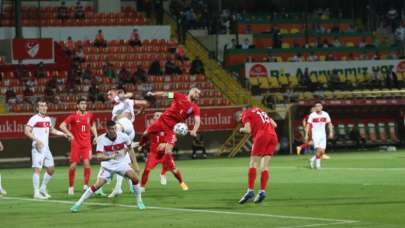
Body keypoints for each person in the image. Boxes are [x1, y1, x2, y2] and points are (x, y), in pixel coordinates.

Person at [70, 120, 145, 212]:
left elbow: (130, 149)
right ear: (107, 130)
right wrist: (109, 157)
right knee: (96, 186)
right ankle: (78, 204)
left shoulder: (123, 136)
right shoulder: (101, 140)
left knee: (135, 178)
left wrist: (135, 165)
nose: (113, 131)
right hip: (108, 166)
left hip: (121, 164)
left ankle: (139, 201)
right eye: (110, 129)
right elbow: (98, 156)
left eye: (114, 128)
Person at [145, 88, 202, 191]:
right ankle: (134, 144)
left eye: (199, 94)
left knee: (168, 151)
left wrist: (194, 130)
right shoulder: (177, 95)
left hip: (171, 129)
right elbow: (164, 94)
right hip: (162, 121)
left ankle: (163, 172)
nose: (198, 95)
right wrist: (153, 93)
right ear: (190, 91)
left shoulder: (195, 108)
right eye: (196, 92)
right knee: (146, 133)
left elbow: (197, 120)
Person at [104, 89, 149, 198]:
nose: (108, 96)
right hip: (130, 129)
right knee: (122, 159)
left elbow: (130, 94)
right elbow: (145, 103)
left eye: (110, 93)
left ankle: (108, 176)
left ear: (117, 94)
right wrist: (142, 111)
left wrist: (124, 96)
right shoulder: (128, 102)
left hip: (123, 125)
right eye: (107, 94)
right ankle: (126, 186)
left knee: (111, 149)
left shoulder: (120, 100)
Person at [24, 100, 70, 199]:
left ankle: (43, 188)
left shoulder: (48, 119)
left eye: (45, 105)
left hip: (46, 148)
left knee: (51, 169)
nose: (44, 107)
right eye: (41, 106)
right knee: (37, 170)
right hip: (38, 147)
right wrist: (36, 140)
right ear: (37, 108)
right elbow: (27, 131)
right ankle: (36, 193)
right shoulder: (34, 118)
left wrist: (64, 134)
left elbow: (52, 130)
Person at [238, 105, 278, 204]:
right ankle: (262, 191)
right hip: (273, 136)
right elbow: (275, 124)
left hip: (261, 136)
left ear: (244, 109)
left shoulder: (246, 113)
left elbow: (248, 130)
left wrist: (241, 129)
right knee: (264, 166)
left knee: (253, 163)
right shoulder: (261, 111)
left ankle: (250, 190)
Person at [60, 98, 98, 195]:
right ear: (77, 105)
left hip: (86, 144)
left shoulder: (90, 115)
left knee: (87, 163)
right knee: (73, 166)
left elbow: (92, 125)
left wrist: (96, 136)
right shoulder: (73, 117)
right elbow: (62, 126)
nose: (84, 105)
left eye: (85, 104)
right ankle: (71, 187)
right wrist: (69, 134)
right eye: (81, 104)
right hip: (76, 144)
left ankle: (85, 187)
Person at [305, 103, 334, 169]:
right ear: (315, 108)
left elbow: (329, 124)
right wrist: (306, 134)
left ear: (322, 107)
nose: (318, 107)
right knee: (319, 150)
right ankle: (318, 165)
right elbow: (308, 125)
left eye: (319, 106)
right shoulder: (312, 115)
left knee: (322, 151)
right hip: (315, 135)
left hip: (323, 135)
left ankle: (312, 159)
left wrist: (331, 132)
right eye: (316, 106)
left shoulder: (325, 114)